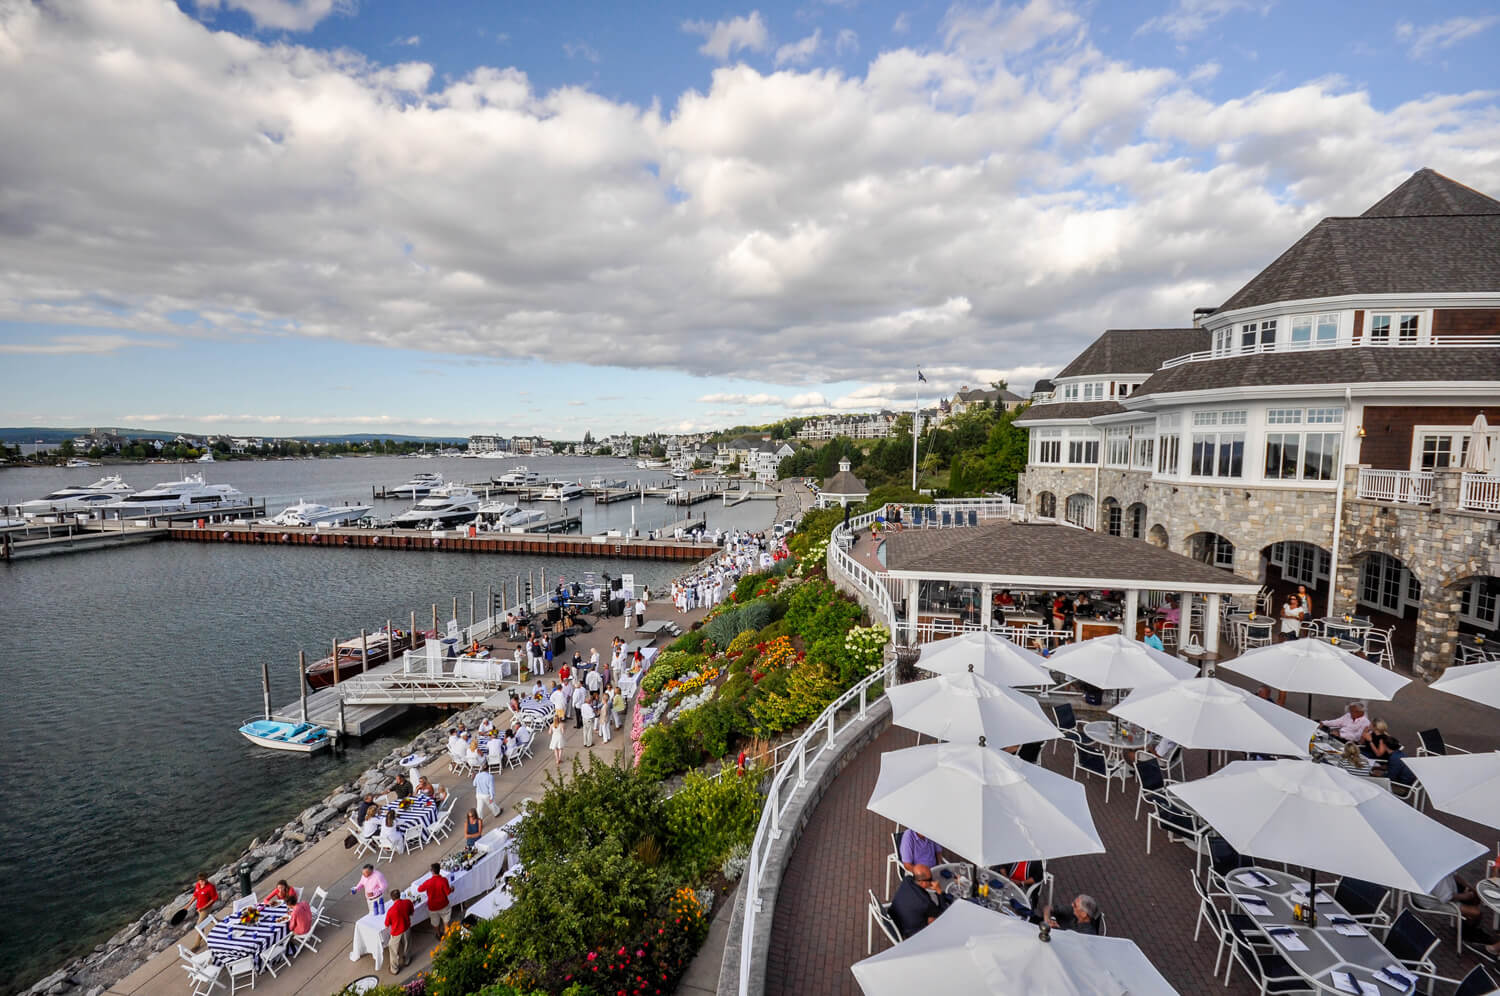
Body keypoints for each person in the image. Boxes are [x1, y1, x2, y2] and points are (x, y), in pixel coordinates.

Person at [888, 871, 952, 939]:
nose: (933, 881)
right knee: (935, 919)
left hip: (892, 915)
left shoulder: (907, 880)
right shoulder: (925, 902)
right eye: (930, 879)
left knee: (927, 915)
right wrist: (939, 891)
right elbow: (942, 912)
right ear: (922, 882)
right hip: (906, 931)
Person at [384, 890, 415, 975]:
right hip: (406, 928)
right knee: (407, 945)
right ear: (400, 895)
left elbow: (387, 924)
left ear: (392, 898)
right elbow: (412, 912)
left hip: (396, 932)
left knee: (394, 951)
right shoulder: (407, 902)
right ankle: (407, 961)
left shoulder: (391, 911)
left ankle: (394, 969)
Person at [416, 864, 454, 932]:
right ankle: (446, 931)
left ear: (432, 871)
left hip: (433, 907)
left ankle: (438, 934)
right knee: (446, 919)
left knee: (435, 922)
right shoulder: (443, 880)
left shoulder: (428, 882)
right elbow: (447, 892)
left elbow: (419, 889)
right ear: (439, 870)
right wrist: (452, 889)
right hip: (443, 904)